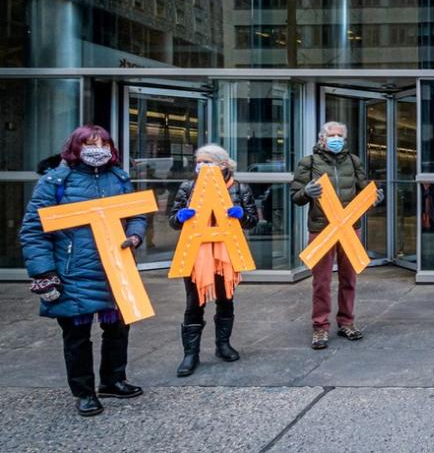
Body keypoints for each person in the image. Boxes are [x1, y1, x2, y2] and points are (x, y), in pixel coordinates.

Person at [19, 125, 147, 416]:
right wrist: (43, 272)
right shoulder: (56, 181)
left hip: (115, 269)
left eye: (103, 143)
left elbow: (136, 214)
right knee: (77, 336)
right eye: (90, 143)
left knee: (118, 328)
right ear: (76, 146)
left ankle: (114, 379)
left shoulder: (119, 177)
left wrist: (136, 235)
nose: (97, 148)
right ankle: (84, 392)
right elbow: (33, 230)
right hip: (72, 271)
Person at [291, 121, 384, 349]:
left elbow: (365, 187)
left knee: (349, 279)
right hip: (322, 229)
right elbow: (296, 196)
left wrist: (375, 195)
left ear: (345, 139)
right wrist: (306, 191)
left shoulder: (354, 161)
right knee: (321, 281)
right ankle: (320, 327)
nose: (336, 139)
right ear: (322, 138)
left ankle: (346, 322)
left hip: (350, 228)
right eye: (331, 135)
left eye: (339, 135)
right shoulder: (309, 162)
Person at [169, 144, 259, 377]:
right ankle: (190, 355)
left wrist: (242, 215)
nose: (201, 166)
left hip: (225, 253)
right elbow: (173, 219)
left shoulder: (239, 188)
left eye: (207, 161)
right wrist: (180, 217)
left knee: (225, 299)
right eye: (199, 161)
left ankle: (223, 345)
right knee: (194, 303)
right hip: (195, 253)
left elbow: (252, 220)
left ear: (223, 165)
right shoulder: (188, 187)